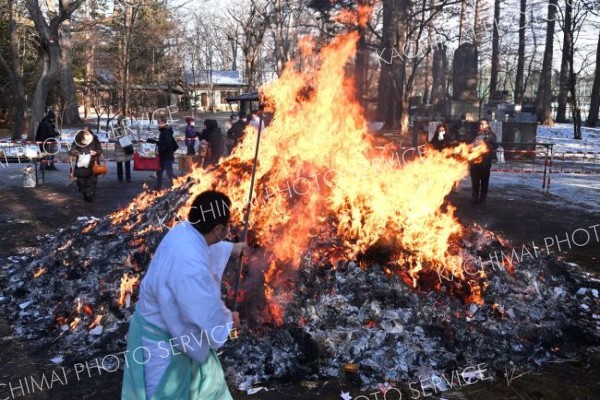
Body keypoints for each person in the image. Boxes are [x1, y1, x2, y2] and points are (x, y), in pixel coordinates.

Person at [121, 190, 246, 400]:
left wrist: (232, 248)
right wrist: (227, 323)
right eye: (227, 226)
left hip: (171, 330)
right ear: (218, 229)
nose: (229, 228)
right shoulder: (191, 268)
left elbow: (204, 246)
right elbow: (204, 312)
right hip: (161, 344)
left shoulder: (184, 231)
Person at [69, 127, 103, 203]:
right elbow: (72, 150)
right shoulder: (78, 139)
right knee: (81, 182)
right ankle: (85, 193)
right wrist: (75, 152)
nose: (86, 134)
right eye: (84, 133)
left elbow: (100, 150)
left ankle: (90, 197)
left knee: (91, 183)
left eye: (87, 132)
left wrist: (96, 152)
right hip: (81, 165)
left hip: (92, 164)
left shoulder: (95, 139)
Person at [469, 118, 498, 205]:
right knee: (475, 180)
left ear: (487, 125)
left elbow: (495, 145)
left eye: (483, 124)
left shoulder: (491, 135)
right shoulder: (475, 134)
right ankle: (475, 197)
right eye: (480, 124)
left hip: (485, 161)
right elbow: (469, 143)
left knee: (484, 181)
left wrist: (484, 142)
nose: (481, 125)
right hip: (474, 161)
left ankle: (483, 199)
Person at [148, 116, 178, 190]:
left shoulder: (166, 132)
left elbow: (168, 144)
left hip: (167, 157)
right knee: (159, 172)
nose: (157, 123)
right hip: (164, 156)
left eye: (159, 122)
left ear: (164, 122)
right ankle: (158, 187)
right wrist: (154, 141)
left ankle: (179, 183)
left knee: (169, 174)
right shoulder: (164, 131)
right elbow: (163, 143)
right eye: (157, 122)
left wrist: (160, 151)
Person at [110, 117, 133, 183]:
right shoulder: (114, 129)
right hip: (119, 148)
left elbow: (131, 136)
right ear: (119, 121)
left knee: (127, 163)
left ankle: (128, 178)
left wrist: (129, 139)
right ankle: (120, 178)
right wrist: (117, 140)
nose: (124, 122)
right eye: (123, 121)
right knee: (119, 164)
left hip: (127, 148)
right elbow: (110, 138)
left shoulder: (127, 128)